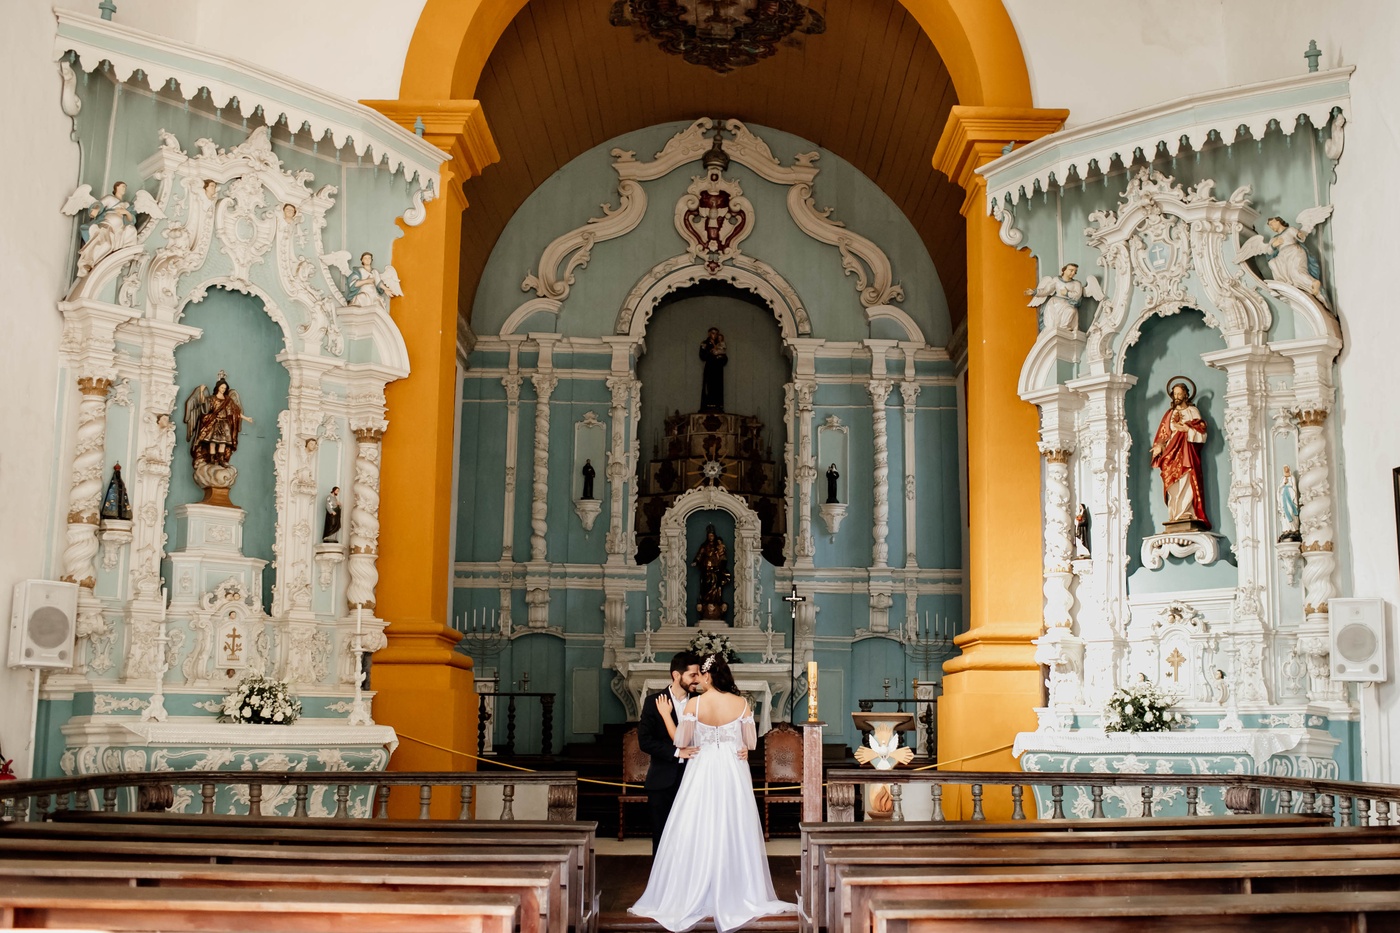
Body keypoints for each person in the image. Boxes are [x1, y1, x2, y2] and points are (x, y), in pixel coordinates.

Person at [630, 654, 796, 932]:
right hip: (732, 771)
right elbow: (750, 743)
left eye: (700, 675)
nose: (698, 679)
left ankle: (694, 886)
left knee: (698, 825)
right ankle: (737, 888)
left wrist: (666, 717)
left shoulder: (695, 704)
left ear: (707, 676)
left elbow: (681, 740)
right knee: (733, 825)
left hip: (702, 768)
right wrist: (740, 749)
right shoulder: (742, 703)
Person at [636, 651, 701, 855]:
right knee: (661, 837)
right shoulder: (653, 701)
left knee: (693, 837)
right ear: (676, 675)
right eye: (692, 675)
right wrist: (676, 753)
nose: (697, 679)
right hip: (662, 779)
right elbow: (645, 741)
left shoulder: (701, 701)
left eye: (698, 674)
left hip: (695, 778)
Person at [1149, 379, 1210, 530]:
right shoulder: (1169, 414)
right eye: (1174, 394)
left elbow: (1202, 433)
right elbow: (1163, 436)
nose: (1176, 396)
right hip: (1171, 453)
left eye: (1179, 393)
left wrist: (1187, 430)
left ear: (1186, 395)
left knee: (1187, 479)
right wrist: (1159, 446)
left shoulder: (1192, 411)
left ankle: (1186, 512)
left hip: (1187, 452)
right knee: (1171, 482)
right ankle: (1175, 514)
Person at [182, 373, 253, 467]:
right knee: (213, 442)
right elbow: (204, 405)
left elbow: (235, 412)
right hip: (214, 423)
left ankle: (221, 460)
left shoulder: (228, 400)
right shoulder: (212, 398)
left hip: (224, 423)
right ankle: (211, 459)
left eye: (225, 388)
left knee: (223, 443)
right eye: (222, 387)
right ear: (218, 387)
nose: (223, 389)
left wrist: (246, 418)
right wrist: (201, 392)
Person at [692, 525, 732, 620]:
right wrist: (696, 561)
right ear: (707, 536)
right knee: (706, 587)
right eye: (709, 536)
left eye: (712, 536)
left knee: (716, 587)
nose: (711, 537)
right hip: (706, 571)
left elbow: (723, 557)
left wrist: (720, 563)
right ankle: (706, 602)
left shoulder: (717, 546)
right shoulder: (704, 546)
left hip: (716, 571)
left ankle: (716, 602)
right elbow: (700, 555)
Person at [698, 327, 728, 412]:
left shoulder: (720, 344)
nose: (715, 335)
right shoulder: (705, 343)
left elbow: (724, 357)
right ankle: (707, 405)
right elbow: (702, 356)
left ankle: (718, 405)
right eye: (713, 333)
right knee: (709, 386)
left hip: (718, 369)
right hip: (710, 368)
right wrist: (711, 353)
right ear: (709, 334)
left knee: (718, 386)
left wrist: (720, 357)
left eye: (716, 333)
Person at [1278, 465, 1301, 541]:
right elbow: (1279, 488)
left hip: (1290, 496)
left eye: (1287, 468)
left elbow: (1294, 487)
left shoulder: (1292, 477)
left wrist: (1293, 495)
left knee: (1291, 511)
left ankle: (1294, 529)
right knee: (1285, 512)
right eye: (1284, 468)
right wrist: (1283, 483)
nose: (1286, 469)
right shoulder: (1283, 478)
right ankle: (1287, 529)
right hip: (1284, 496)